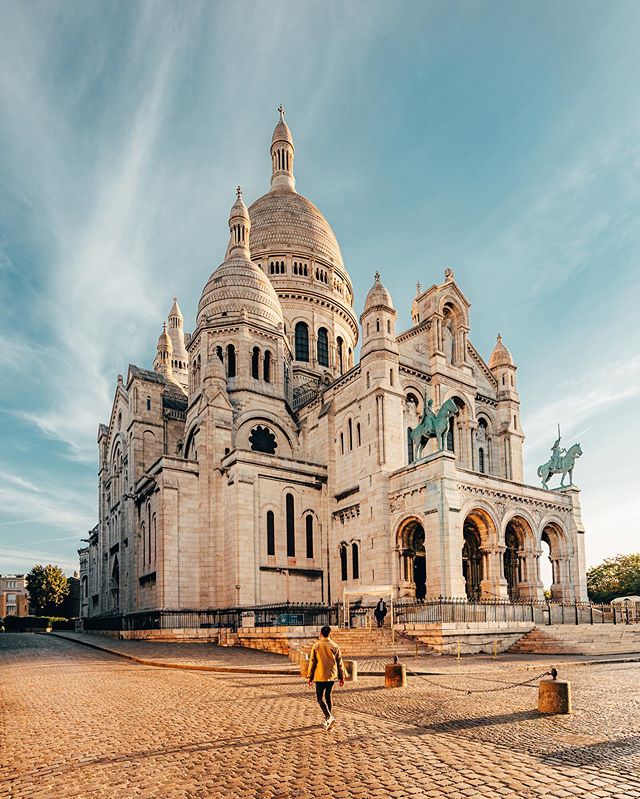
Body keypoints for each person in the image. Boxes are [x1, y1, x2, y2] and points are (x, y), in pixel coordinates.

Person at [307, 625, 345, 730]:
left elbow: (312, 662)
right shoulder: (335, 646)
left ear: (320, 633)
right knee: (328, 696)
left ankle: (328, 716)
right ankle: (329, 717)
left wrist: (310, 676)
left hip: (320, 676)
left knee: (320, 698)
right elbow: (340, 663)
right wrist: (342, 677)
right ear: (330, 633)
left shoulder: (316, 645)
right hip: (331, 676)